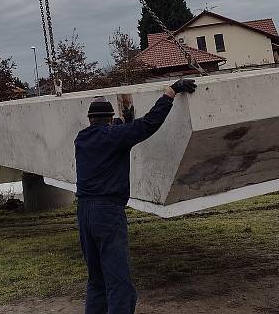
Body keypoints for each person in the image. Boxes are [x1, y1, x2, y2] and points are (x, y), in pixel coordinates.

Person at [75, 78, 197, 314]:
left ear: (89, 120)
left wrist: (124, 121)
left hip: (85, 212)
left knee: (96, 280)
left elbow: (113, 131)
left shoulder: (82, 138)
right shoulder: (115, 136)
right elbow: (149, 124)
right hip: (107, 213)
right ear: (110, 119)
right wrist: (170, 93)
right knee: (119, 283)